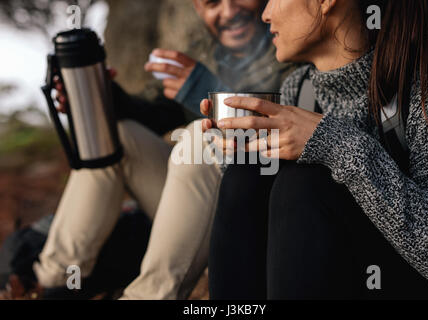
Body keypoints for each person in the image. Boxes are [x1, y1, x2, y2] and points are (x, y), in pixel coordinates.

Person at [19, 0, 293, 300]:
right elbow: (156, 112)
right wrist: (102, 98)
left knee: (201, 139)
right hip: (197, 209)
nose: (228, 12)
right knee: (117, 135)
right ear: (197, 8)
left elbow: (289, 126)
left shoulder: (289, 39)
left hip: (258, 212)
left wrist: (207, 91)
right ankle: (50, 285)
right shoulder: (204, 49)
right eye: (212, 2)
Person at [203, 0, 428, 299]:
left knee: (303, 184)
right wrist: (240, 151)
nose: (264, 13)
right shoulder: (300, 88)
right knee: (247, 175)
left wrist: (336, 144)